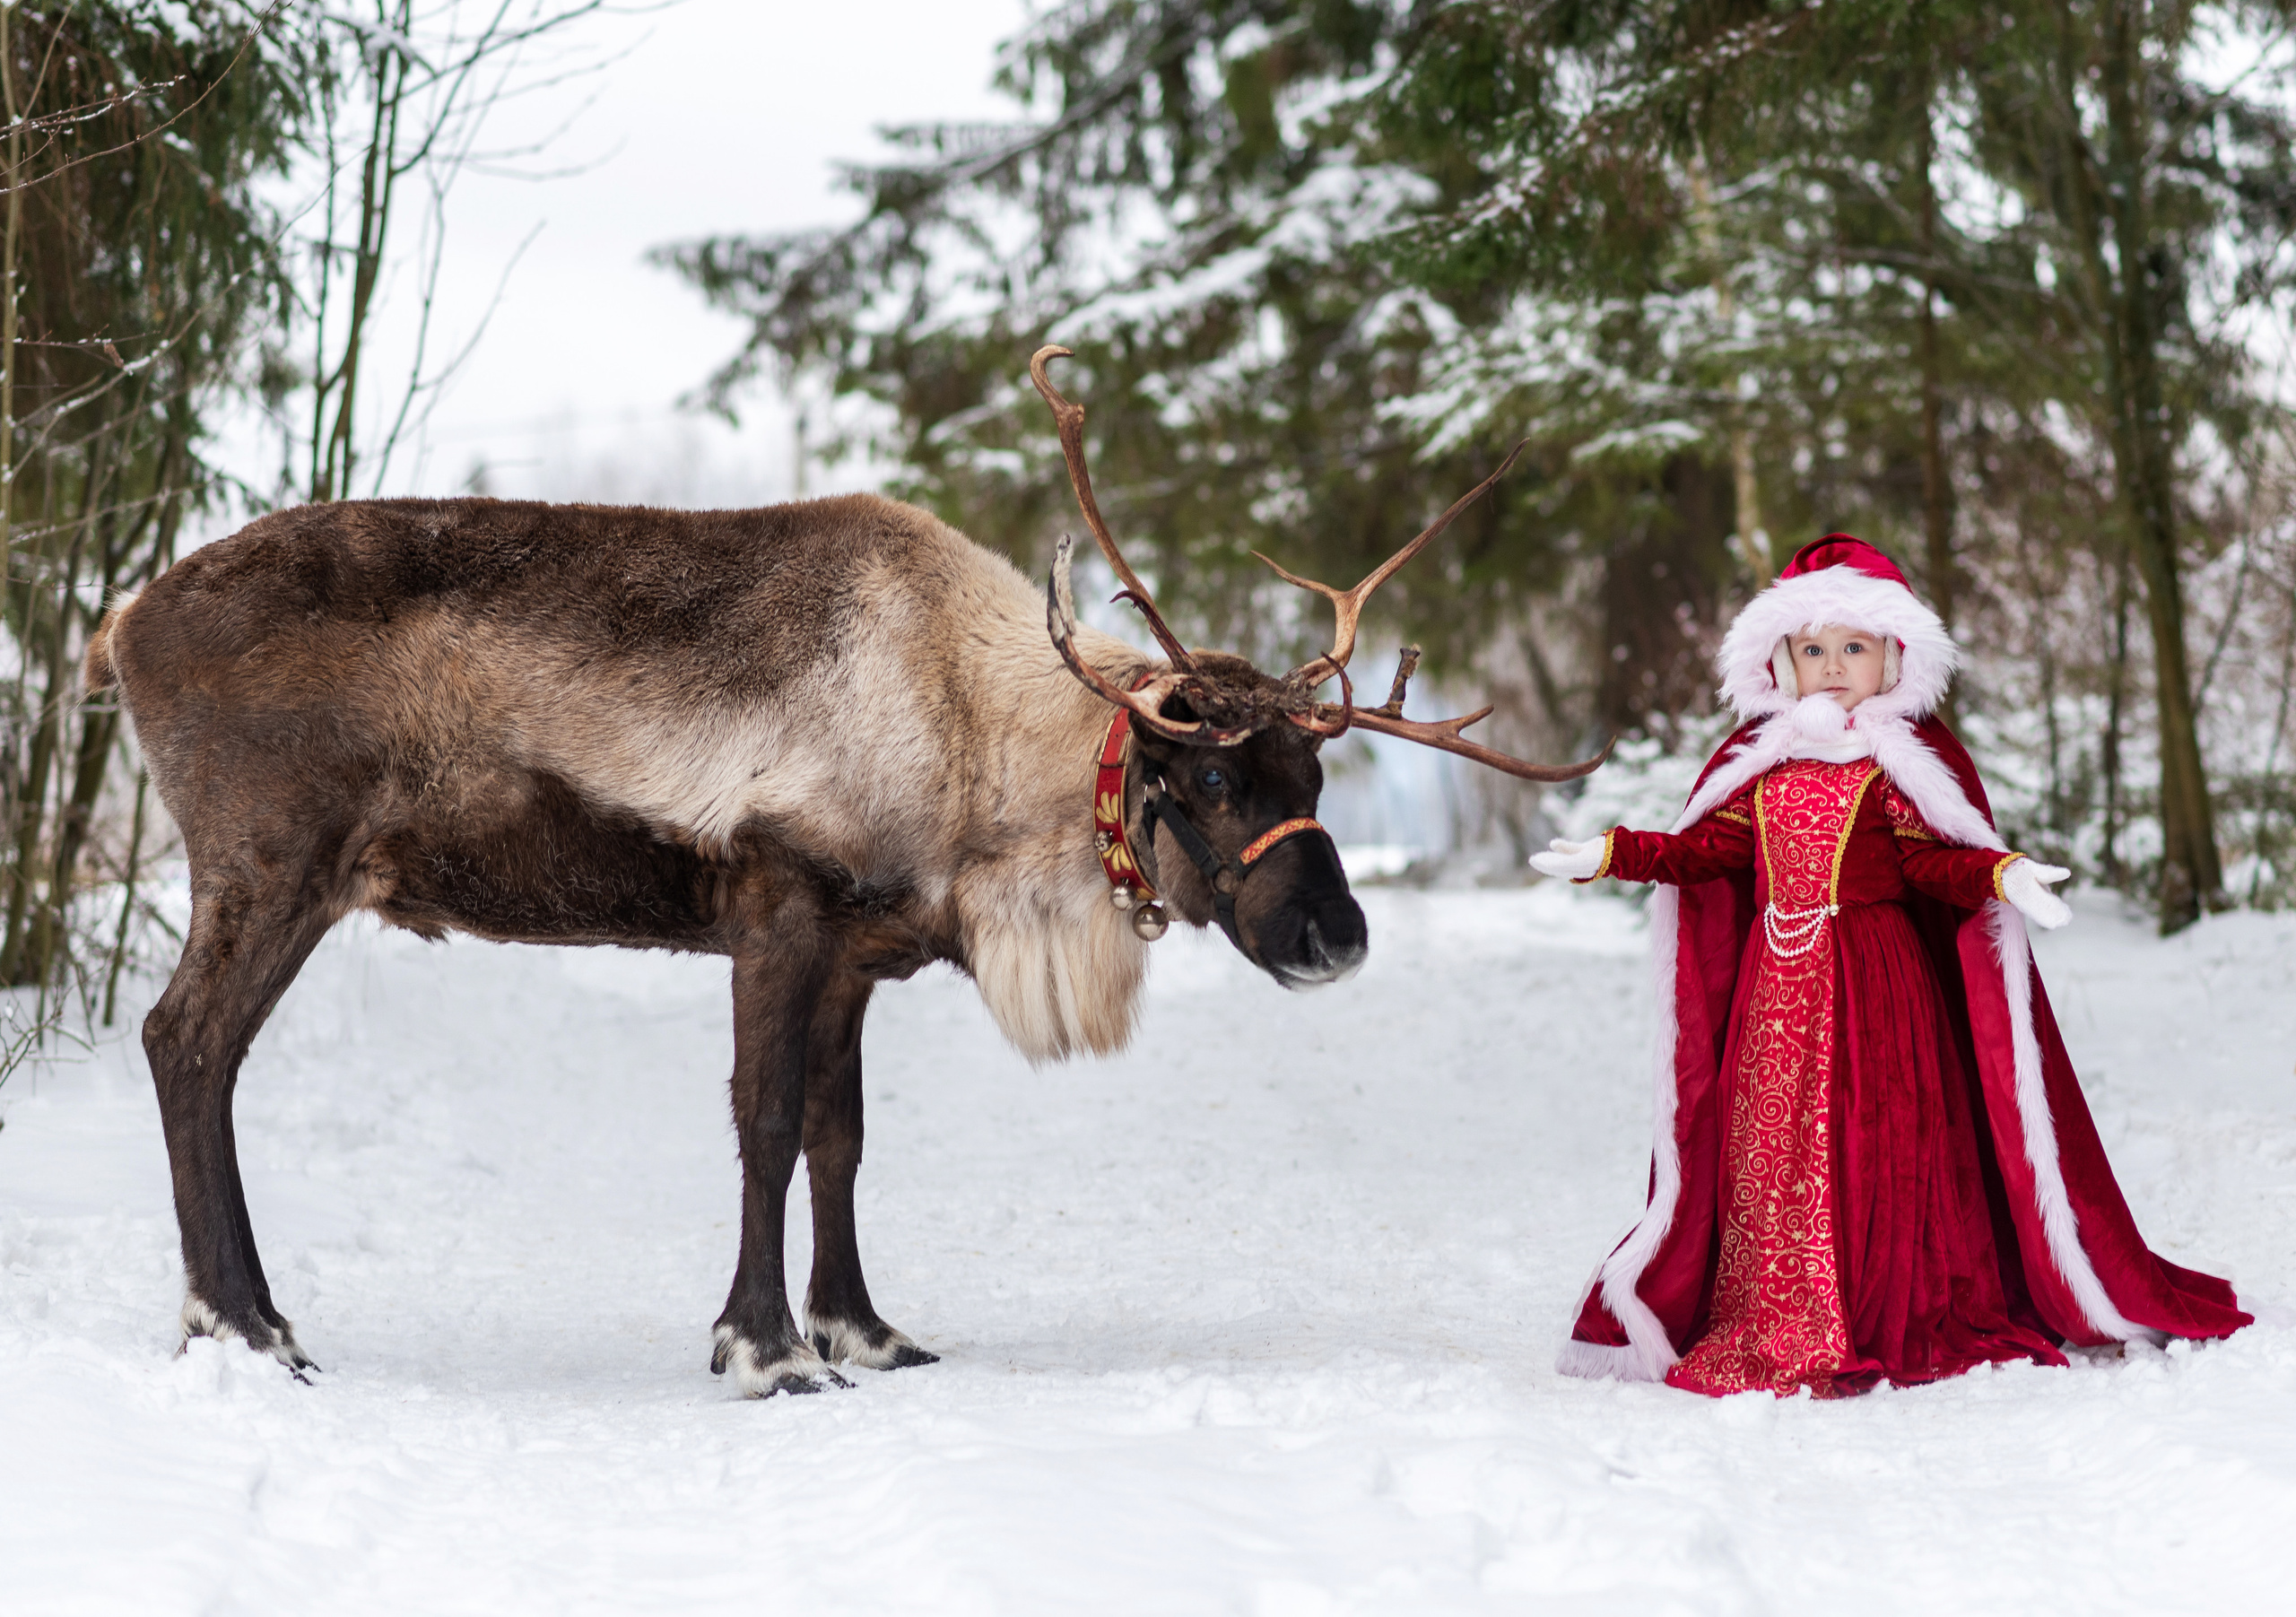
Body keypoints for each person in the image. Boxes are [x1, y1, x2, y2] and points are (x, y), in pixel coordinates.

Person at [1532, 535, 2249, 1396]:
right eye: (1813, 650)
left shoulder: (1896, 768)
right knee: (1768, 1143)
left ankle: (1875, 1302)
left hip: (1876, 985)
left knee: (1874, 1135)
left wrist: (2000, 873)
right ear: (1782, 661)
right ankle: (1774, 1306)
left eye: (1853, 648)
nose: (1833, 666)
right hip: (1773, 991)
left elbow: (1930, 861)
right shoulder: (1759, 771)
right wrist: (1613, 853)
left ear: (1893, 658)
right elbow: (1703, 852)